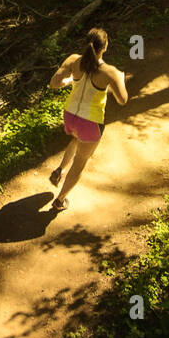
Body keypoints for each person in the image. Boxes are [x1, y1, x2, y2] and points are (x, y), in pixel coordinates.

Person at [46, 27, 129, 210]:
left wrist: (69, 80)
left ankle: (60, 170)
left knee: (77, 138)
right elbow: (123, 100)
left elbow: (54, 83)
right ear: (105, 47)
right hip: (90, 122)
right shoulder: (110, 72)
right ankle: (60, 201)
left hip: (70, 116)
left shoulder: (74, 60)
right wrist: (120, 80)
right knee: (80, 163)